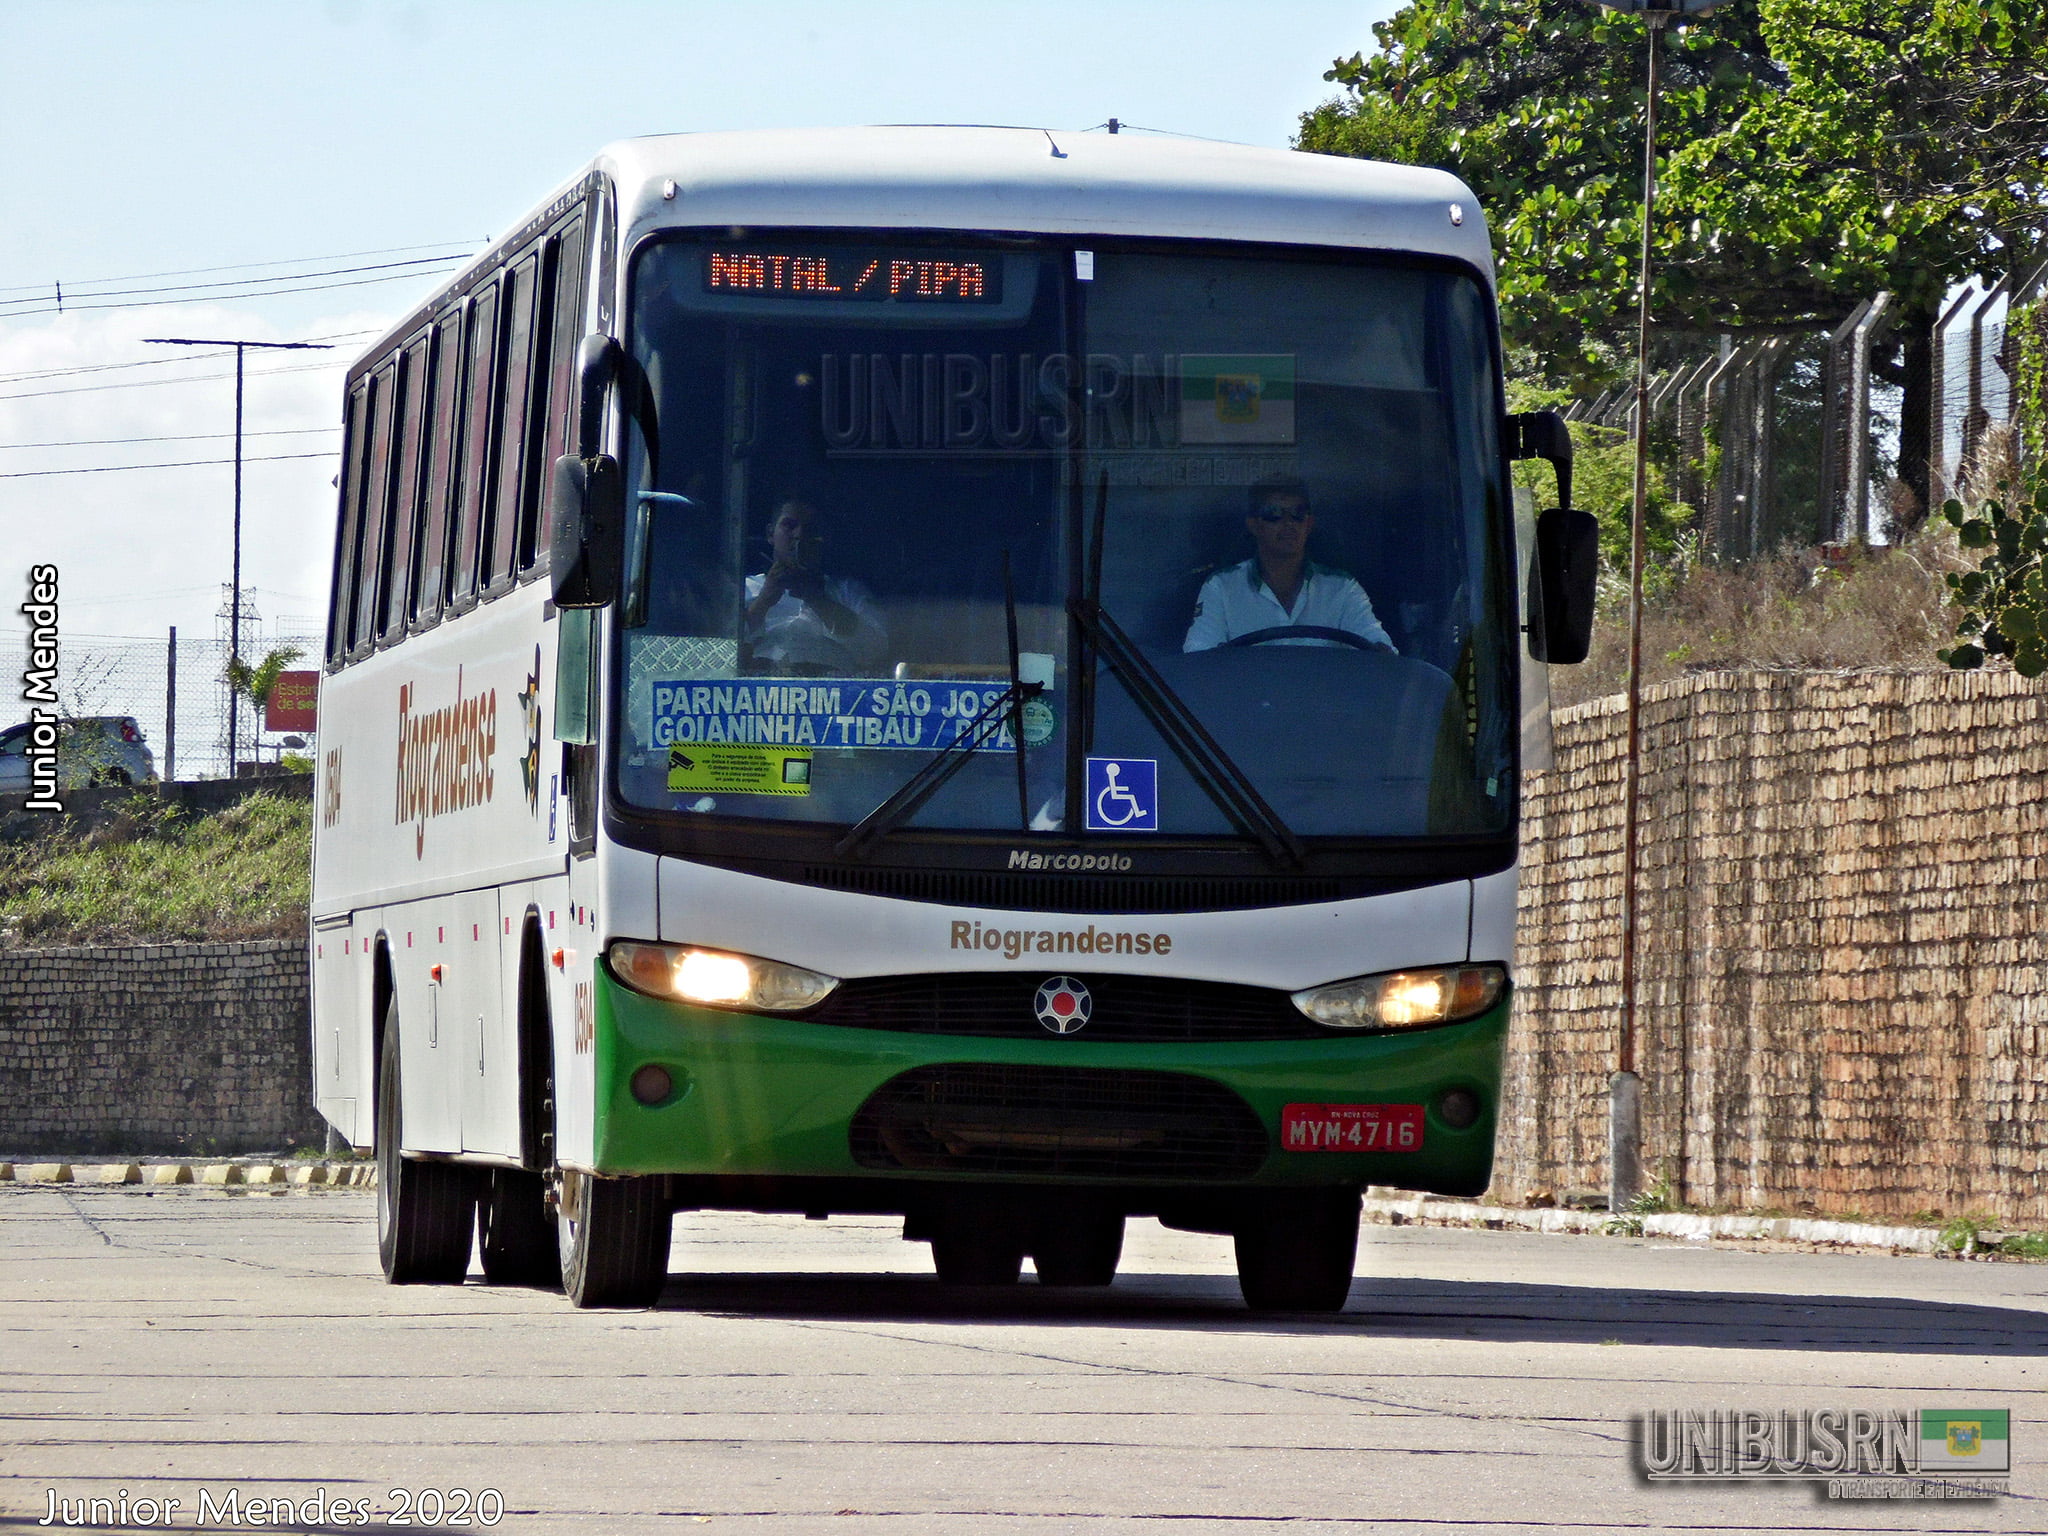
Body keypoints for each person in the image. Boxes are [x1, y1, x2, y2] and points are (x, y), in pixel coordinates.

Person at [1183, 479, 1394, 652]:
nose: (1288, 523)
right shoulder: (1221, 586)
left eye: (1298, 513)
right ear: (1253, 525)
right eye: (1273, 513)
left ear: (1309, 524)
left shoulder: (1343, 589)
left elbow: (1380, 653)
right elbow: (1200, 659)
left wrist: (1381, 650)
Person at [742, 498, 887, 672]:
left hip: (831, 692)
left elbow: (875, 651)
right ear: (770, 533)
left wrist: (819, 601)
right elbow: (719, 649)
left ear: (822, 539)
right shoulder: (744, 588)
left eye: (810, 529)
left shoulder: (848, 591)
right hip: (760, 692)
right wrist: (763, 602)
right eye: (789, 525)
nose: (799, 535)